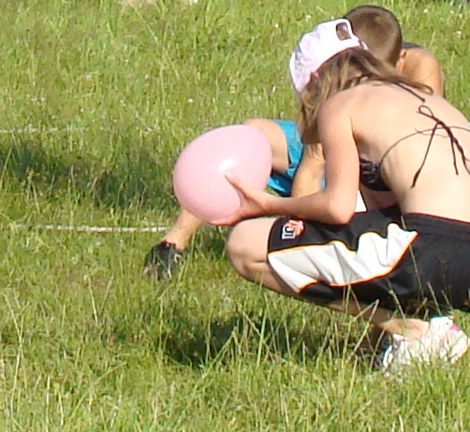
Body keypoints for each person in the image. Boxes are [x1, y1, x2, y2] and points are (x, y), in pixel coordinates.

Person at [225, 9, 470, 371]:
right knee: (380, 235)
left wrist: (268, 204)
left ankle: (413, 330)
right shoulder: (420, 94)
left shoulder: (341, 104)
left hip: (438, 252)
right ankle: (410, 336)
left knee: (245, 244)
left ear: (317, 78)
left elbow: (337, 208)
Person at [145, 34, 453, 279]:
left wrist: (298, 236)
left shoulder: (420, 69)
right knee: (252, 134)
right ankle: (172, 243)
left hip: (372, 184)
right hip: (335, 163)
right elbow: (311, 165)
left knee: (252, 241)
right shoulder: (338, 92)